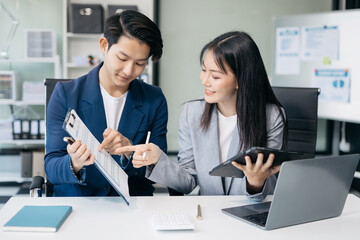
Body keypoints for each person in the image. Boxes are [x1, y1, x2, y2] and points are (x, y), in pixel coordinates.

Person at [116, 31, 287, 201]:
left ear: (240, 80)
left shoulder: (272, 117)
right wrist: (157, 160)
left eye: (215, 76)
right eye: (204, 70)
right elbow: (188, 182)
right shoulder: (193, 113)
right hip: (208, 214)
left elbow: (269, 185)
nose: (205, 80)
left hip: (252, 211)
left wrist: (255, 183)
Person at [45, 10, 167, 197]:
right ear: (104, 46)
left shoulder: (154, 99)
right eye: (122, 58)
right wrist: (74, 162)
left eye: (140, 63)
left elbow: (159, 168)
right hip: (80, 202)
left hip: (133, 205)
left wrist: (129, 152)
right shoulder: (65, 94)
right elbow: (51, 167)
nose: (129, 70)